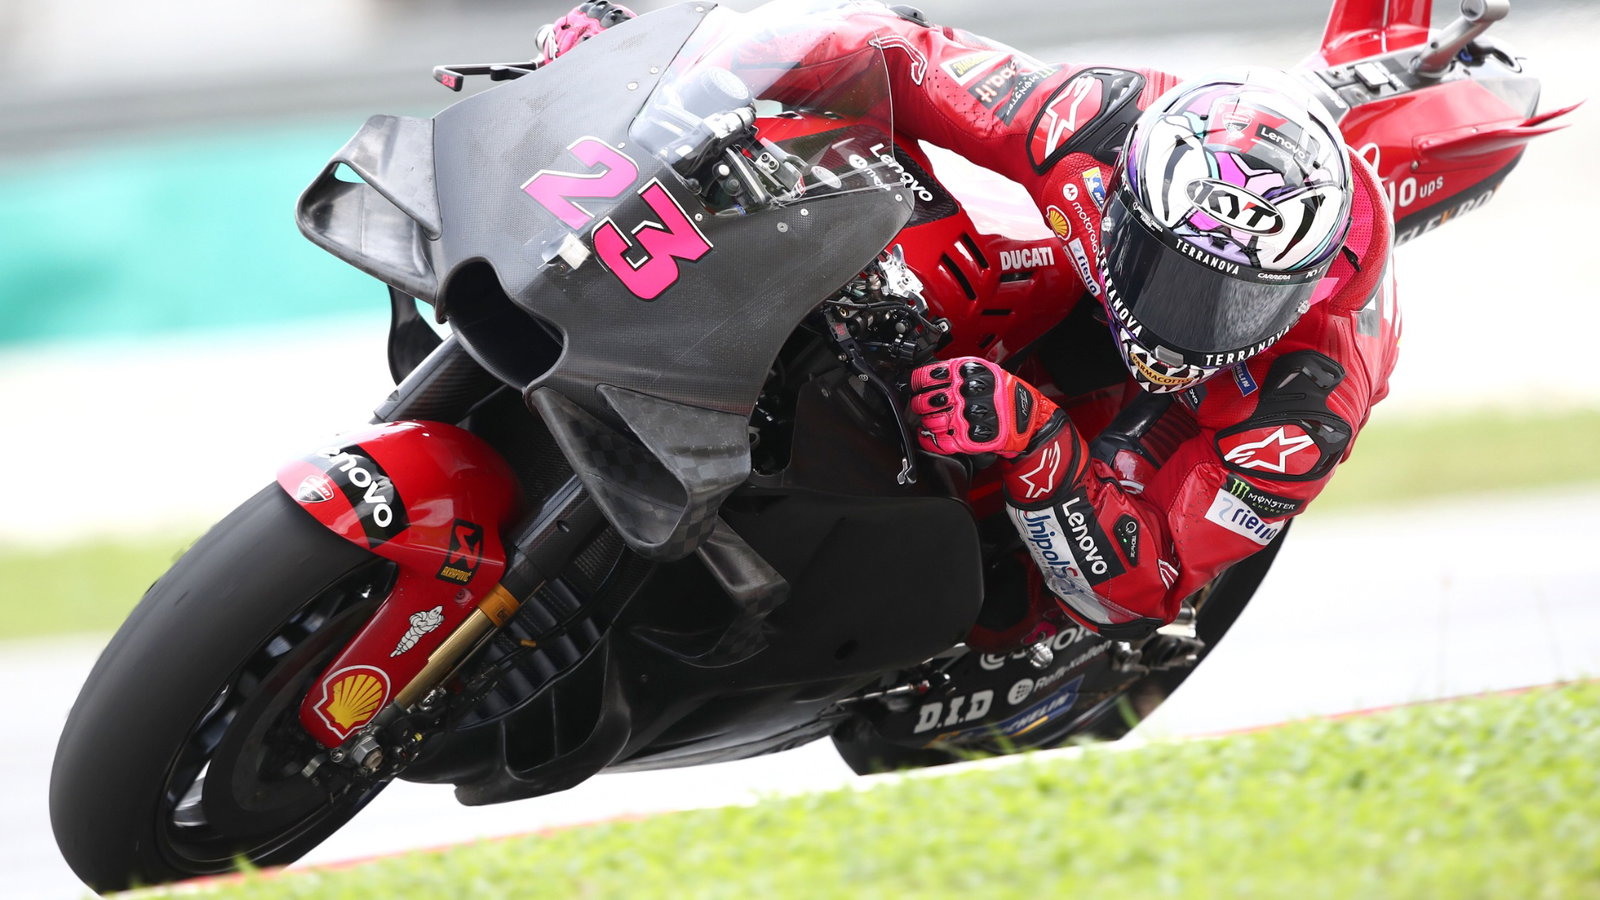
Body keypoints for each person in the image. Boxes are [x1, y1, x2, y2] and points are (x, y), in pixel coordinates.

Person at [539, 1, 1399, 649]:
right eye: (1173, 275)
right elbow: (889, 49)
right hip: (1071, 272)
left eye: (1232, 300)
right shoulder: (1090, 122)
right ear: (1127, 204)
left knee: (1018, 609)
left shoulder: (1311, 392)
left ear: (1304, 282)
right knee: (926, 239)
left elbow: (1146, 591)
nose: (1190, 321)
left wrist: (1043, 450)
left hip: (1177, 417)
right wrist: (656, 63)